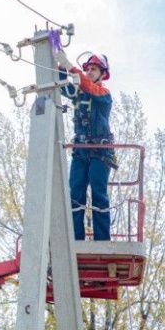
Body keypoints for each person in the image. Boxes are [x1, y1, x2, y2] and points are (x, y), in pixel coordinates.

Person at [55, 50, 116, 241]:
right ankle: (75, 239)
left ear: (102, 73)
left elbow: (89, 87)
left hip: (100, 152)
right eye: (88, 69)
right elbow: (62, 87)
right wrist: (60, 66)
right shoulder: (78, 93)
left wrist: (70, 66)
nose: (89, 72)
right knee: (75, 194)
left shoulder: (104, 95)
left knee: (98, 194)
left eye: (94, 69)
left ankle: (102, 241)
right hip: (81, 151)